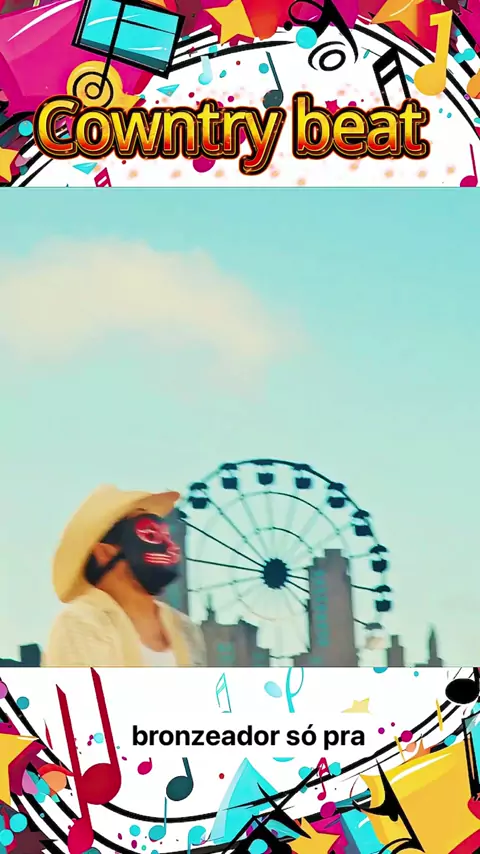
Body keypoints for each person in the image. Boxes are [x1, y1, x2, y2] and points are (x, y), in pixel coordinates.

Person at [43, 485, 206, 667]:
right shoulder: (78, 625)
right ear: (104, 553)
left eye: (166, 535)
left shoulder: (186, 630)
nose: (171, 547)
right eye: (150, 535)